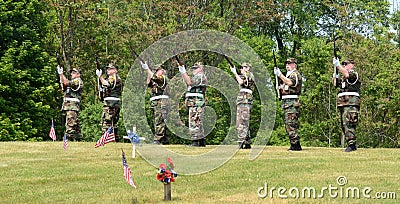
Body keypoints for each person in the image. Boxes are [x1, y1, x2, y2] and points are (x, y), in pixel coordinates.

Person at [274, 58, 303, 151]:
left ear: (294, 65)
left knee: (291, 123)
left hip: (292, 102)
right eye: (286, 63)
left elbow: (290, 83)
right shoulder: (288, 75)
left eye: (290, 63)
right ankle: (293, 143)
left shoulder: (295, 74)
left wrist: (280, 75)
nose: (287, 65)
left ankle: (296, 144)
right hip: (286, 102)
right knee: (288, 124)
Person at [332, 58, 361, 152]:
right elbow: (335, 84)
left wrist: (338, 65)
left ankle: (352, 145)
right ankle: (350, 143)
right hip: (343, 103)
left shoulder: (354, 74)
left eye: (346, 64)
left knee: (349, 123)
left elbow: (347, 74)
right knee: (344, 124)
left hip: (351, 103)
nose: (344, 66)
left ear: (352, 65)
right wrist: (335, 72)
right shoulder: (343, 78)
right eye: (343, 64)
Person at [178, 61, 207, 147]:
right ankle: (201, 141)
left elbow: (189, 82)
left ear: (201, 69)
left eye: (196, 68)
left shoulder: (200, 76)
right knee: (198, 122)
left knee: (194, 122)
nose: (194, 70)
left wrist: (183, 71)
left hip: (196, 102)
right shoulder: (197, 77)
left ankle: (195, 141)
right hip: (194, 102)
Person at [141, 62, 169, 144]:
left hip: (161, 103)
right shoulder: (156, 79)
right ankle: (165, 140)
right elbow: (148, 83)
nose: (155, 72)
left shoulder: (163, 78)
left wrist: (147, 69)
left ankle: (158, 139)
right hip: (157, 103)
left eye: (157, 70)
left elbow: (155, 78)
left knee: (159, 121)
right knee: (161, 120)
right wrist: (147, 72)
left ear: (162, 71)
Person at [229, 62, 255, 149]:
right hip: (243, 99)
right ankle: (247, 141)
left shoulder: (248, 75)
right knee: (244, 120)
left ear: (248, 68)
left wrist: (234, 72)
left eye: (242, 67)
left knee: (241, 121)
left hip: (245, 99)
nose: (241, 69)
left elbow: (241, 82)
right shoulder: (246, 76)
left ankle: (241, 141)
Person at [96, 63, 123, 141]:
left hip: (111, 104)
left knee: (106, 122)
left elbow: (106, 84)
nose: (108, 70)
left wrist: (100, 77)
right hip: (111, 103)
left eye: (110, 69)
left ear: (115, 70)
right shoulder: (110, 78)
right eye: (108, 69)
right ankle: (115, 139)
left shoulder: (114, 78)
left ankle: (105, 140)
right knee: (113, 123)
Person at [57, 65, 84, 141]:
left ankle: (68, 140)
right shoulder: (72, 81)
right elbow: (64, 85)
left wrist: (61, 74)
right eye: (72, 72)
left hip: (73, 106)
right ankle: (78, 140)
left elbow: (66, 83)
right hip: (69, 106)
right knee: (75, 125)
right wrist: (60, 75)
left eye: (74, 72)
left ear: (78, 74)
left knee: (70, 124)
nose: (72, 74)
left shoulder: (78, 81)